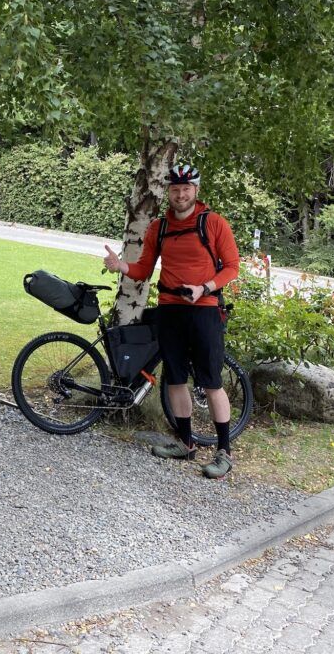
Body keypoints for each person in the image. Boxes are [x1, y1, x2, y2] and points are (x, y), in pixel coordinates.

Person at [102, 163, 240, 479]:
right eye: (175, 189)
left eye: (186, 189)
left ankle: (224, 451)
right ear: (169, 192)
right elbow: (143, 270)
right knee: (175, 379)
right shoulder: (159, 227)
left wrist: (204, 288)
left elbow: (232, 267)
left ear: (196, 190)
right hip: (170, 311)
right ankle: (185, 443)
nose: (180, 194)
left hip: (204, 311)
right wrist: (121, 266)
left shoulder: (213, 223)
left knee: (211, 382)